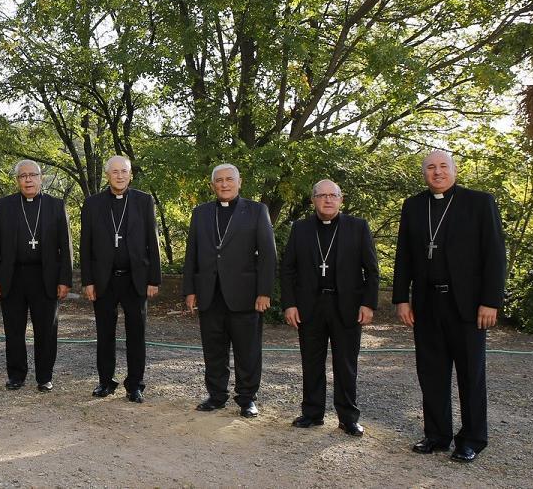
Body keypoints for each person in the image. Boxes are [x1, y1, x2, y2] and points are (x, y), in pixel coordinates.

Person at [394, 150, 506, 462]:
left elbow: (495, 256)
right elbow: (403, 255)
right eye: (431, 167)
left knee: (471, 374)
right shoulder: (414, 206)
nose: (437, 172)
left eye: (443, 166)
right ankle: (436, 435)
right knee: (431, 373)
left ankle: (472, 439)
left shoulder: (479, 202)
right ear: (424, 174)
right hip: (427, 304)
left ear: (454, 170)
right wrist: (402, 298)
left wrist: (490, 301)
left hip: (468, 307)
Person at [280, 179, 379, 436]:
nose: (327, 200)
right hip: (309, 306)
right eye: (321, 195)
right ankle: (312, 413)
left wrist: (368, 303)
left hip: (346, 305)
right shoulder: (301, 229)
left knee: (346, 363)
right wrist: (289, 304)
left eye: (332, 195)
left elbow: (372, 270)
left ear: (340, 199)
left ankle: (348, 417)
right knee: (311, 361)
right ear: (313, 200)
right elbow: (288, 269)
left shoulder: (358, 227)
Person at [183, 163, 276, 417]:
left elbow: (268, 254)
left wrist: (264, 292)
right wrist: (190, 290)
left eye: (229, 179)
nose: (224, 184)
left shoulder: (257, 211)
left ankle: (247, 399)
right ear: (212, 185)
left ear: (239, 181)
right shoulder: (200, 213)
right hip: (210, 293)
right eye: (219, 180)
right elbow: (192, 254)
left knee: (248, 351)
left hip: (246, 295)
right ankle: (216, 395)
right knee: (213, 349)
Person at [79, 155, 161, 403]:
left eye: (123, 171)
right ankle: (106, 381)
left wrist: (153, 279)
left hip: (135, 279)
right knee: (105, 334)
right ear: (107, 175)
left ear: (130, 174)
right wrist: (88, 281)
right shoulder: (93, 204)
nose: (119, 175)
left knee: (136, 334)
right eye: (114, 172)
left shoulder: (144, 201)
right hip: (104, 280)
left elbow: (152, 241)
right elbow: (86, 245)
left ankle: (135, 384)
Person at [0, 160, 72, 392]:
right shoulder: (5, 205)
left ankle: (44, 376)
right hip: (12, 277)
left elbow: (66, 246)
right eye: (23, 176)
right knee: (13, 330)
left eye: (32, 175)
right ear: (17, 181)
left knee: (46, 330)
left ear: (40, 178)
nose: (28, 180)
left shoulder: (55, 205)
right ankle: (16, 375)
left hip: (45, 277)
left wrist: (65, 280)